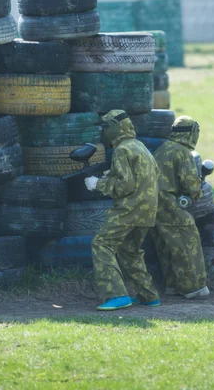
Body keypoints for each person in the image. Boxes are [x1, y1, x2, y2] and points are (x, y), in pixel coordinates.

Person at [85, 110, 161, 311]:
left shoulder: (122, 150)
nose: (104, 131)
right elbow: (152, 174)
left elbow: (124, 186)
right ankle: (149, 295)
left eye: (106, 127)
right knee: (130, 251)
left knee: (102, 243)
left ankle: (116, 295)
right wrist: (112, 174)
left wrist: (97, 184)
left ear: (117, 127)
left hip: (129, 209)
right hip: (147, 210)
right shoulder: (139, 146)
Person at [151, 116, 210, 299]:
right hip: (168, 203)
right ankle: (194, 288)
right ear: (192, 134)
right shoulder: (182, 152)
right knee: (187, 242)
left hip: (151, 204)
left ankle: (172, 285)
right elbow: (191, 185)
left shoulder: (162, 149)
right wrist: (199, 188)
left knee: (167, 245)